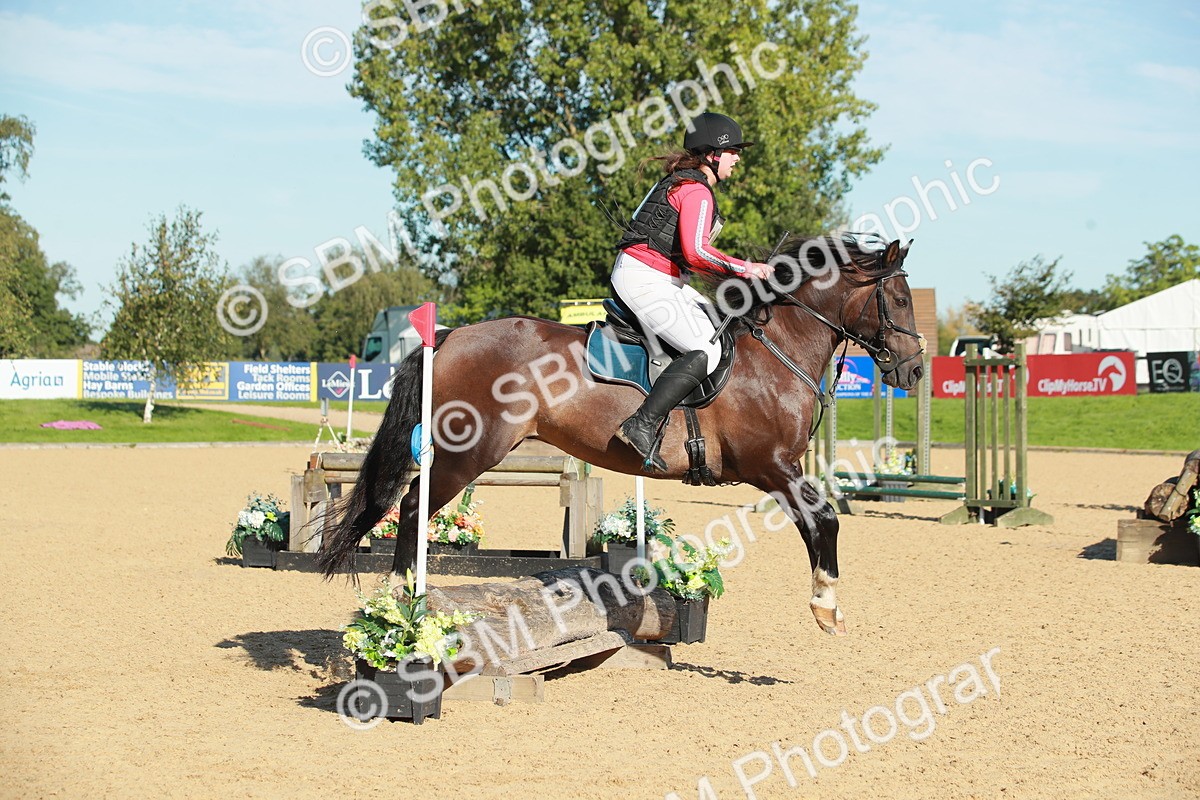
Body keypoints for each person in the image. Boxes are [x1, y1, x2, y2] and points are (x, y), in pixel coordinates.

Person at [611, 112, 773, 471]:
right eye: (732, 151)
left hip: (660, 277)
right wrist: (747, 268)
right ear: (712, 153)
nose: (737, 158)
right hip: (644, 278)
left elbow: (693, 260)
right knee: (704, 349)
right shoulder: (696, 190)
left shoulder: (681, 183)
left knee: (719, 326)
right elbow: (697, 253)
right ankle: (641, 423)